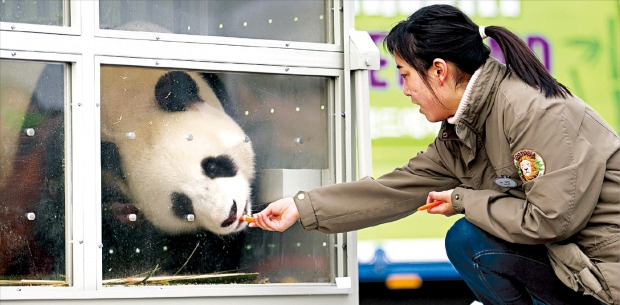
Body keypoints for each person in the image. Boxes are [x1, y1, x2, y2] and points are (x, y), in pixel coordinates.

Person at [249, 4, 619, 305]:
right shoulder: (465, 130)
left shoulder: (531, 112)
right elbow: (395, 189)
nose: (405, 90)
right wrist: (301, 206)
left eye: (405, 74)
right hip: (568, 263)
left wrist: (462, 200)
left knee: (468, 238)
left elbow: (551, 220)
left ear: (439, 70)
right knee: (467, 240)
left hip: (603, 277)